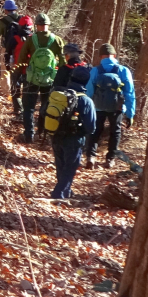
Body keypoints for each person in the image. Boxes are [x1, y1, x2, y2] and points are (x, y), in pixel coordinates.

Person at [84, 43, 136, 169]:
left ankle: (91, 157)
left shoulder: (95, 70)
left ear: (101, 56)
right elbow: (130, 93)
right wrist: (130, 114)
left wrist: (87, 108)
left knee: (95, 130)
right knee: (115, 132)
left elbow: (88, 91)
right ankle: (110, 159)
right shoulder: (123, 70)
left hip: (98, 106)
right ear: (115, 55)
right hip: (116, 108)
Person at [16, 13, 65, 143]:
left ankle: (29, 135)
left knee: (29, 107)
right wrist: (60, 77)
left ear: (36, 26)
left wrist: (22, 72)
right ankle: (42, 134)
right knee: (46, 106)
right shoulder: (57, 40)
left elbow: (21, 58)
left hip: (31, 78)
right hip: (49, 79)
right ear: (48, 25)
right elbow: (63, 61)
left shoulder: (31, 39)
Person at [49, 65, 96, 200]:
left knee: (61, 166)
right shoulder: (86, 101)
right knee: (69, 168)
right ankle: (58, 194)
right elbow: (91, 127)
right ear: (86, 81)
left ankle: (65, 192)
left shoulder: (58, 94)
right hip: (74, 139)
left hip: (56, 135)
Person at [4, 14, 33, 120]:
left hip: (16, 68)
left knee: (15, 90)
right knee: (27, 92)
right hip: (30, 70)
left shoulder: (14, 38)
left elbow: (7, 53)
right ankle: (26, 112)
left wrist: (7, 66)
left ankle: (18, 111)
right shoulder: (34, 39)